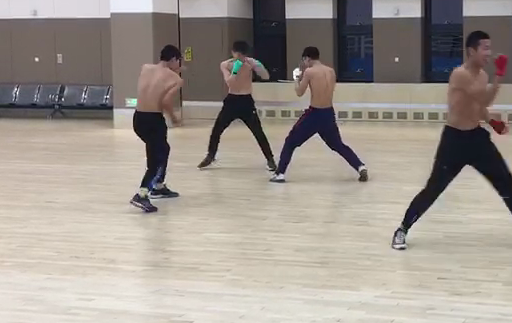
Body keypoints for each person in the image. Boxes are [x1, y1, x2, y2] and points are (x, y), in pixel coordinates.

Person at [391, 30, 512, 250]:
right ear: (471, 51)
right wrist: (500, 75)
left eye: (490, 48)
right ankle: (402, 229)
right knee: (434, 188)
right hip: (454, 140)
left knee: (505, 181)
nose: (489, 53)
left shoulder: (482, 75)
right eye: (485, 48)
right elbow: (485, 98)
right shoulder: (461, 75)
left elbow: (479, 105)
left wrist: (491, 122)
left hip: (476, 138)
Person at [270, 46, 368, 183]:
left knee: (290, 141)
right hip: (328, 113)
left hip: (314, 114)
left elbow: (299, 92)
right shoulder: (331, 71)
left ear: (307, 58)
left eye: (304, 60)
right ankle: (360, 166)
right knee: (338, 145)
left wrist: (296, 78)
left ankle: (280, 173)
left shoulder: (309, 72)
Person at [198, 41, 276, 171]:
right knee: (217, 129)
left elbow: (266, 76)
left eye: (242, 55)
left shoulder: (250, 63)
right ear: (233, 53)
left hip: (246, 101)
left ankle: (270, 159)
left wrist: (258, 66)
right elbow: (230, 83)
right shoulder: (226, 65)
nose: (240, 58)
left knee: (258, 131)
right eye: (237, 55)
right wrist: (235, 70)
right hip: (232, 101)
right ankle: (210, 156)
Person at [130, 45, 184, 213]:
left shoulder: (145, 68)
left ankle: (158, 185)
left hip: (138, 118)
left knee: (160, 149)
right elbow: (166, 101)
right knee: (157, 158)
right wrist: (174, 118)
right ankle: (142, 194)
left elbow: (155, 82)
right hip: (154, 120)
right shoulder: (176, 79)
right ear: (174, 59)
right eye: (179, 61)